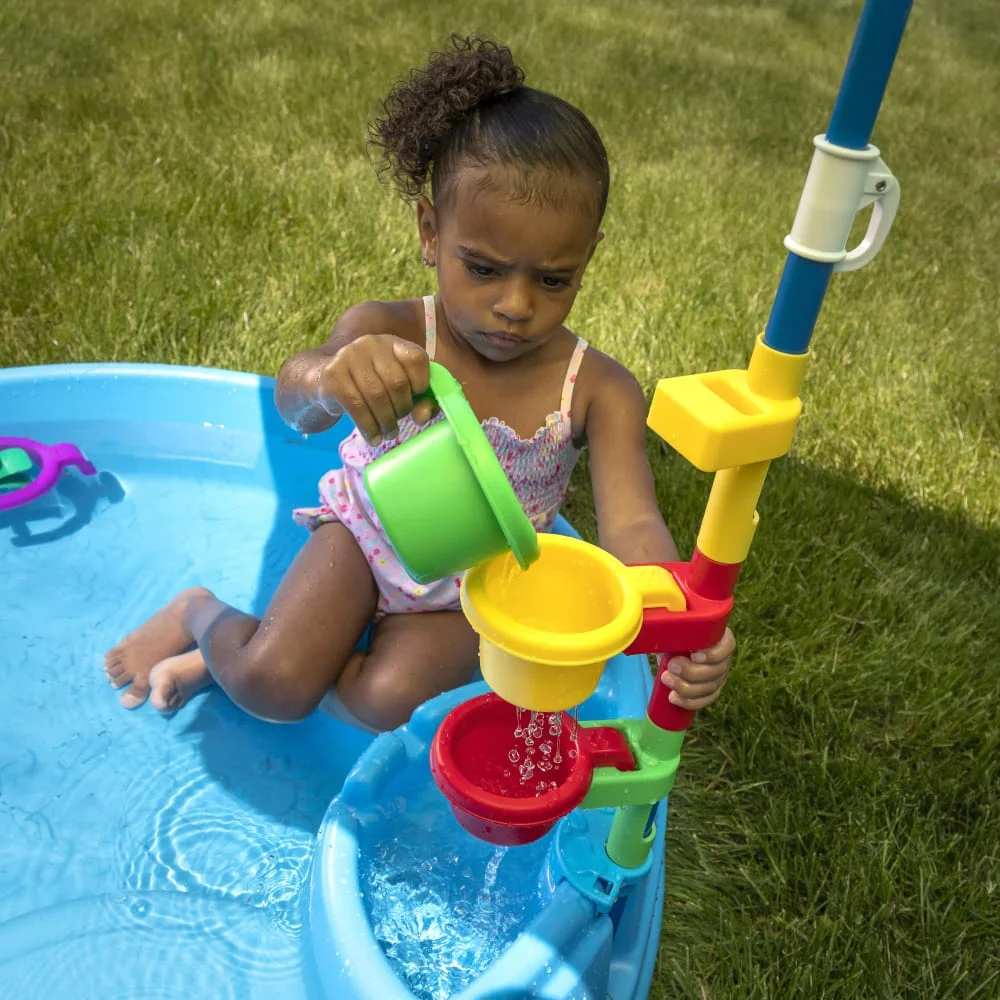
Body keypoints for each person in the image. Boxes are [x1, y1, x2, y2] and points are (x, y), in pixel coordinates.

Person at [104, 35, 735, 732]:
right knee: (273, 685)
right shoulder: (392, 331)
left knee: (383, 705)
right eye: (484, 268)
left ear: (589, 258)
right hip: (367, 534)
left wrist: (681, 616)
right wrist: (331, 376)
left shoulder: (599, 387)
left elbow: (633, 525)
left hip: (483, 582)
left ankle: (289, 646)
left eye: (554, 279)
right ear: (431, 233)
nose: (517, 305)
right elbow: (295, 405)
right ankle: (201, 614)